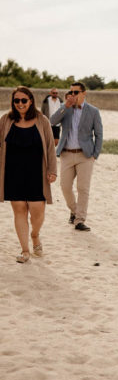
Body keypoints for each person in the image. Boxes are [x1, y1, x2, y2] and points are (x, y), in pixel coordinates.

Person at [0, 87, 57, 263]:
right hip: (12, 172)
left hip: (37, 173)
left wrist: (52, 170)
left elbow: (50, 146)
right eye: (16, 101)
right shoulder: (5, 120)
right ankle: (25, 250)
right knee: (19, 211)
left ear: (30, 101)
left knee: (37, 212)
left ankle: (35, 235)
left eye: (23, 100)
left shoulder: (42, 120)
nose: (20, 104)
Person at [50, 82, 103, 232]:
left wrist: (95, 154)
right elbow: (52, 122)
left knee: (83, 188)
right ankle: (74, 210)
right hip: (66, 154)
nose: (72, 95)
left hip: (85, 155)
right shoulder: (65, 109)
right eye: (70, 92)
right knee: (65, 187)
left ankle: (80, 219)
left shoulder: (93, 111)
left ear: (84, 93)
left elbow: (99, 134)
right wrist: (65, 106)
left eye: (76, 92)